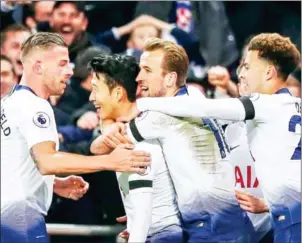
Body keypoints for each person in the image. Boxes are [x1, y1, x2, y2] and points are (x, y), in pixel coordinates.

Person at [122, 33, 301, 243]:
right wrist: (269, 204)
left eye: (247, 67)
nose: (241, 73)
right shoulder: (293, 105)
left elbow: (205, 107)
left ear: (269, 72)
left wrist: (140, 105)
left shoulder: (264, 105)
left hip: (289, 225)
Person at [0, 32, 151, 243]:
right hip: (18, 220)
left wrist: (52, 184)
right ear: (38, 67)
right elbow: (47, 161)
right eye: (61, 64)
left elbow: (11, 164)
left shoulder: (10, 102)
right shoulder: (35, 107)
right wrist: (109, 161)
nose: (70, 72)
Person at [100, 38, 255, 242]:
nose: (138, 77)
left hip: (211, 228)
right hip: (235, 223)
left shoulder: (161, 116)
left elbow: (103, 145)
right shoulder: (194, 94)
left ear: (170, 79)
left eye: (147, 70)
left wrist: (106, 118)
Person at [88, 54, 183, 243]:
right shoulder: (131, 130)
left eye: (95, 89)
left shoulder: (138, 143)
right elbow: (96, 148)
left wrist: (136, 230)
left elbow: (142, 216)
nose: (91, 97)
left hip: (160, 236)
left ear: (117, 94)